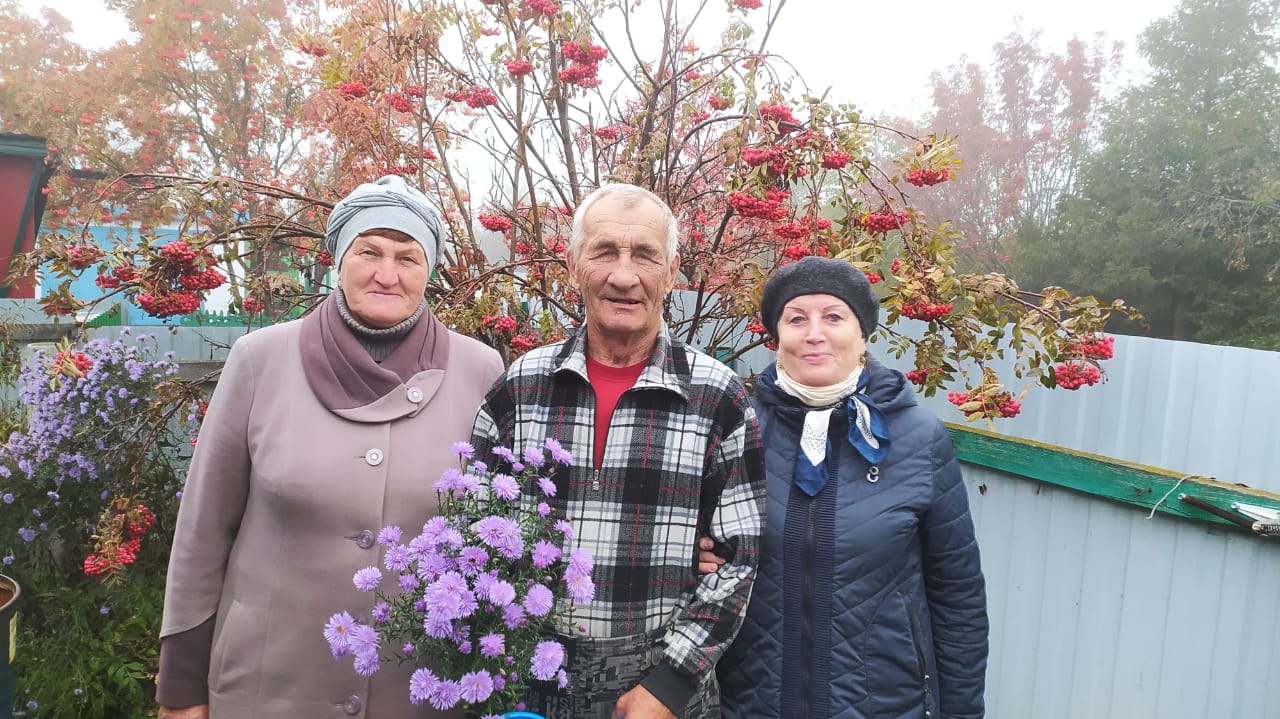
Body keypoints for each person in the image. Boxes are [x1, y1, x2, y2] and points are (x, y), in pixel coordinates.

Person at [156, 176, 504, 719]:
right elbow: (201, 533)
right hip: (270, 682)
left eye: (408, 258)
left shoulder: (480, 371)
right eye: (369, 251)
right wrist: (181, 688)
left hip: (421, 691)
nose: (386, 274)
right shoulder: (260, 360)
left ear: (429, 271)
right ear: (337, 259)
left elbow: (498, 535)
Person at [469, 183, 766, 719]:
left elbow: (739, 557)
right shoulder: (523, 384)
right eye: (604, 250)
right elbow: (476, 527)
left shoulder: (715, 396)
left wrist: (672, 683)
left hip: (658, 687)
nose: (624, 276)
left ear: (671, 272)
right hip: (525, 678)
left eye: (645, 255)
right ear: (573, 263)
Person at [703, 256, 989, 719]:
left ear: (862, 334)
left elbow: (958, 596)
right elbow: (688, 539)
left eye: (833, 316)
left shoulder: (919, 439)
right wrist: (698, 557)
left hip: (885, 703)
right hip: (749, 701)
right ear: (777, 337)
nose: (815, 332)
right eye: (797, 318)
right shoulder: (738, 430)